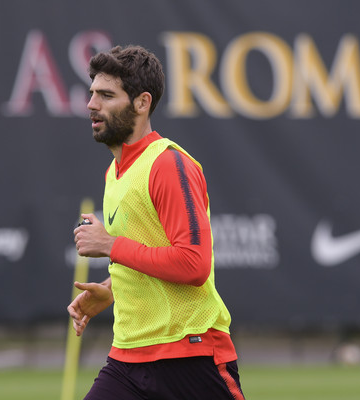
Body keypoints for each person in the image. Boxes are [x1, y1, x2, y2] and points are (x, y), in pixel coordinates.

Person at [69, 45, 245, 400]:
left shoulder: (167, 164)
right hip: (127, 357)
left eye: (106, 95)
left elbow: (193, 264)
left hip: (189, 354)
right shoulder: (114, 172)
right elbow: (149, 251)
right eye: (92, 93)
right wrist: (113, 289)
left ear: (142, 102)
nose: (91, 104)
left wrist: (109, 245)